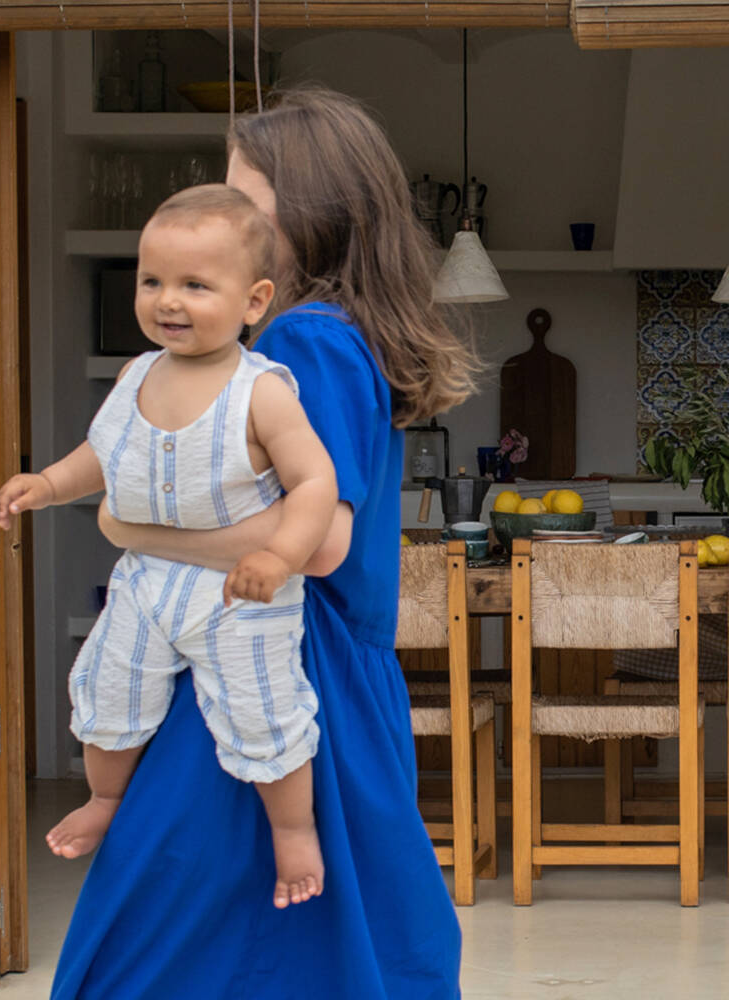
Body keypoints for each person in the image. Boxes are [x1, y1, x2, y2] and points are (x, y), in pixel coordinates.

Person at [50, 87, 481, 1000]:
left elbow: (319, 543)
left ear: (306, 211)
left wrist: (131, 527)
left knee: (158, 942)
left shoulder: (301, 345)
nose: (227, 211)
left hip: (282, 660)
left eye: (245, 194)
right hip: (309, 663)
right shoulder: (329, 335)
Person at [0, 184, 339, 908]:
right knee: (108, 689)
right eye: (151, 281)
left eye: (194, 285)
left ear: (254, 301)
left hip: (238, 591)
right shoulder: (136, 374)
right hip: (147, 581)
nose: (167, 301)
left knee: (264, 708)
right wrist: (50, 485)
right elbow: (104, 452)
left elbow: (313, 482)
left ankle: (294, 832)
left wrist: (278, 558)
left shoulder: (263, 392)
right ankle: (105, 798)